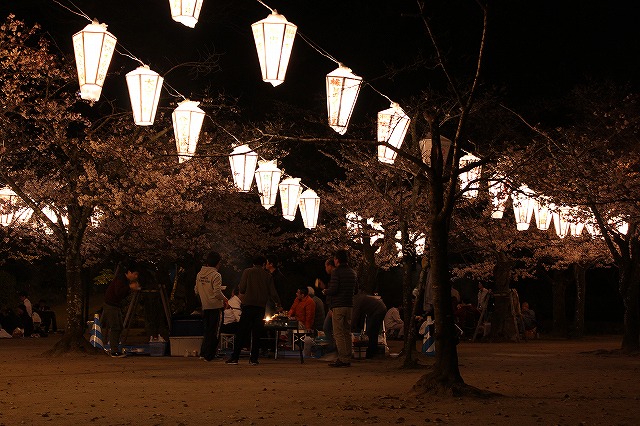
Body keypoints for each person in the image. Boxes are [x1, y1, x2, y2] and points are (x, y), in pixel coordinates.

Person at [226, 255, 282, 366]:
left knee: (242, 332)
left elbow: (242, 288)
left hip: (248, 306)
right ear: (263, 264)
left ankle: (235, 357)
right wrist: (279, 304)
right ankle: (254, 359)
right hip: (260, 307)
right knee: (257, 334)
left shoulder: (247, 272)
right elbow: (273, 293)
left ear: (253, 263)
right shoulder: (268, 276)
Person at [323, 249, 357, 367]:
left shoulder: (336, 272)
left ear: (337, 260)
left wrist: (326, 291)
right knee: (347, 332)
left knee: (338, 333)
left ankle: (342, 358)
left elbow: (334, 290)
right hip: (349, 305)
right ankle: (347, 356)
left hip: (338, 305)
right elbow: (355, 290)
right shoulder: (353, 272)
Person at [102, 261, 141, 358]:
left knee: (119, 327)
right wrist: (129, 287)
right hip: (111, 305)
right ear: (129, 272)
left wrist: (130, 288)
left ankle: (115, 349)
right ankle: (114, 351)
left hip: (115, 305)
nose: (135, 277)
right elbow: (118, 292)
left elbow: (122, 294)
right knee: (115, 327)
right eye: (135, 274)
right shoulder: (121, 279)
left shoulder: (123, 280)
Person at [195, 251, 227, 361]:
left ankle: (203, 353)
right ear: (218, 263)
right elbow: (217, 292)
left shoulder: (199, 274)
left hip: (205, 306)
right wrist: (225, 299)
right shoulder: (216, 275)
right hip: (215, 306)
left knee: (207, 331)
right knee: (215, 332)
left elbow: (196, 290)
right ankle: (210, 355)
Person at [352, 290, 387, 359]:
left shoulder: (356, 300)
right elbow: (360, 315)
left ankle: (371, 352)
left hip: (378, 310)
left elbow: (356, 315)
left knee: (371, 332)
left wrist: (352, 326)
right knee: (373, 331)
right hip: (379, 309)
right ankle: (372, 351)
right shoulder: (360, 298)